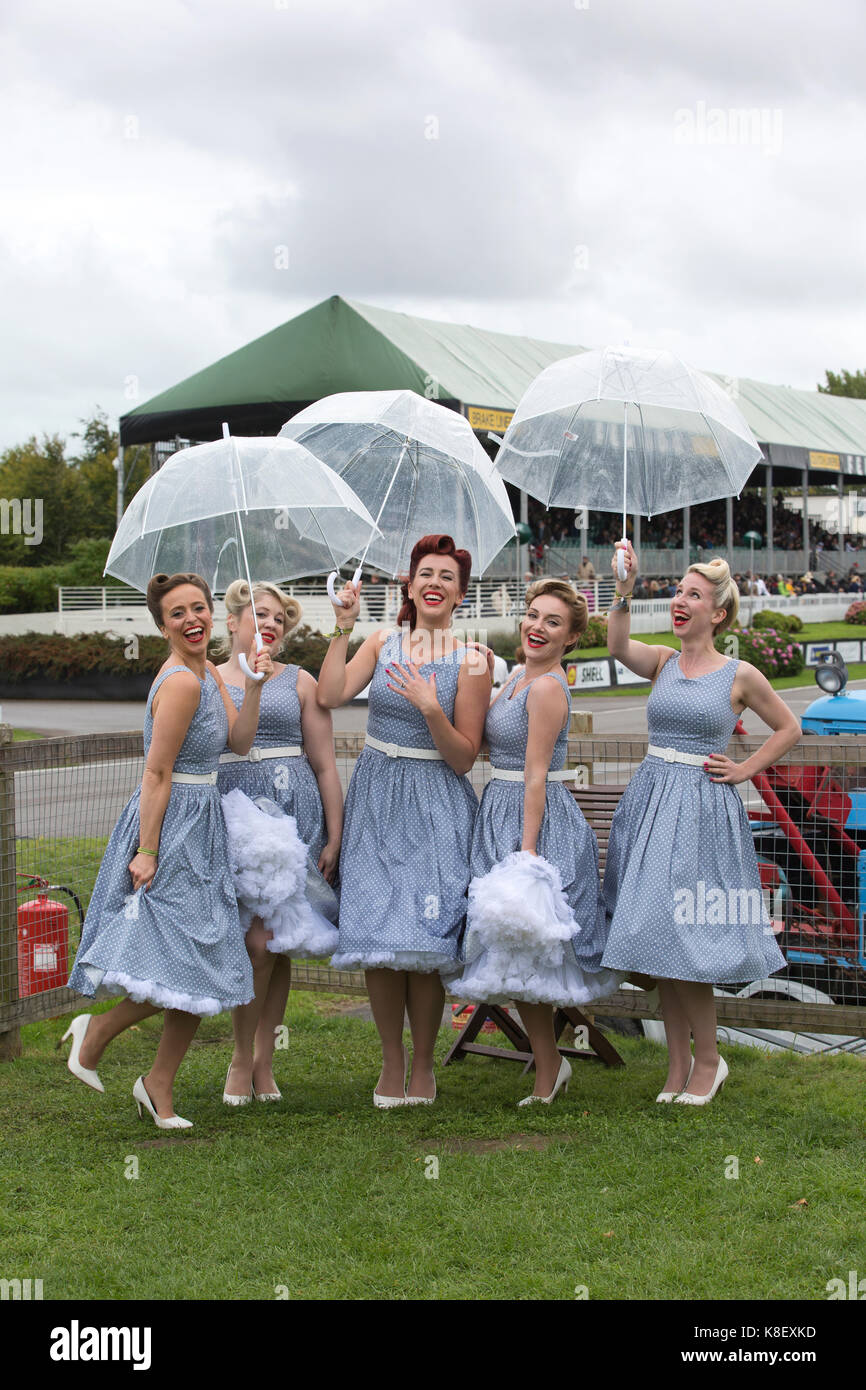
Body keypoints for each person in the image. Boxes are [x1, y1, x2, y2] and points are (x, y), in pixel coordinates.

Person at [62, 573, 272, 1128]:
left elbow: (241, 743)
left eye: (198, 608)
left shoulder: (209, 673)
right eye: (178, 613)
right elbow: (156, 772)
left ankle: (157, 1086)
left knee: (203, 961)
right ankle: (99, 1031)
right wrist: (147, 850)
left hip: (204, 824)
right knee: (186, 958)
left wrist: (251, 686)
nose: (192, 619)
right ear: (162, 627)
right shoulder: (181, 682)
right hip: (175, 824)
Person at [601, 543, 799, 1104]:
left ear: (718, 613)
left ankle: (709, 1060)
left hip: (703, 813)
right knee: (657, 935)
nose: (680, 602)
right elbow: (616, 645)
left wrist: (745, 770)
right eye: (678, 593)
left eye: (694, 595)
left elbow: (789, 728)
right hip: (650, 805)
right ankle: (678, 1063)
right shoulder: (663, 661)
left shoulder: (739, 674)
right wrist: (623, 588)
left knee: (688, 936)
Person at [317, 534, 490, 1106]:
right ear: (409, 584)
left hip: (436, 803)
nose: (435, 583)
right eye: (426, 574)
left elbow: (465, 756)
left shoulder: (471, 660)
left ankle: (423, 1066)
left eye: (447, 576)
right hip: (376, 797)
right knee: (377, 935)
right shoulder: (382, 639)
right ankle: (391, 1063)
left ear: (460, 594)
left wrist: (431, 706)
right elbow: (330, 693)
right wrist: (342, 626)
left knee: (423, 938)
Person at [448, 579, 622, 1104]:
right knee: (515, 948)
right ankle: (551, 1063)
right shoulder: (522, 674)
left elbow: (536, 774)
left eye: (552, 622)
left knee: (534, 947)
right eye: (531, 615)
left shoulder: (548, 687)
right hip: (500, 811)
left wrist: (526, 852)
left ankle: (550, 1069)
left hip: (535, 820)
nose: (536, 627)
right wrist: (477, 659)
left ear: (571, 639)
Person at [215, 580, 343, 1104]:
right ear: (232, 621)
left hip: (293, 815)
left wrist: (335, 833)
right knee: (255, 941)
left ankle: (257, 1060)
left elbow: (326, 763)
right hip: (233, 813)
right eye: (259, 614)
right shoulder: (208, 677)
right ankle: (244, 1055)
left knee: (275, 940)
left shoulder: (300, 681)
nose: (270, 624)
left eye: (278, 619)